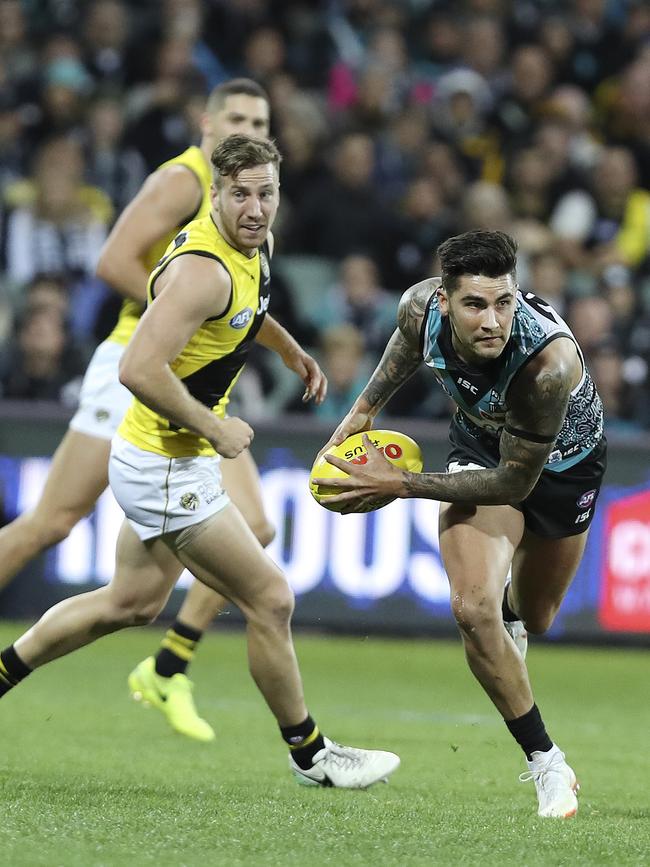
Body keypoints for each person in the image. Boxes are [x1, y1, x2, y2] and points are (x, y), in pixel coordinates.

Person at [0, 134, 400, 790]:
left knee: (127, 603)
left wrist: (289, 349)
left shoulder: (255, 248)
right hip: (164, 465)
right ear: (214, 192)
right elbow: (137, 366)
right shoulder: (201, 270)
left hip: (156, 455)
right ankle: (312, 755)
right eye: (240, 192)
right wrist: (214, 425)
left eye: (266, 193)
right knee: (271, 596)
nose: (255, 206)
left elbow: (250, 310)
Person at [0, 78, 313, 743]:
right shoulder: (187, 181)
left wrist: (266, 337)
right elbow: (113, 261)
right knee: (51, 521)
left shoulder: (249, 200)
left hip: (193, 374)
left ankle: (171, 662)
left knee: (241, 535)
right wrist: (181, 298)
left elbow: (240, 301)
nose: (245, 125)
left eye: (258, 118)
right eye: (234, 115)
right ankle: (172, 666)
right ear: (206, 121)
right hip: (138, 363)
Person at [313, 230, 606, 818]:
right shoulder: (419, 309)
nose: (493, 320)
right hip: (481, 448)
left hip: (562, 470)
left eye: (505, 302)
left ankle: (511, 614)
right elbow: (405, 342)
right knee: (472, 608)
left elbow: (514, 484)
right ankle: (548, 763)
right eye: (475, 304)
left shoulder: (547, 366)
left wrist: (398, 485)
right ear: (444, 301)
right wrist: (366, 406)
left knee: (536, 615)